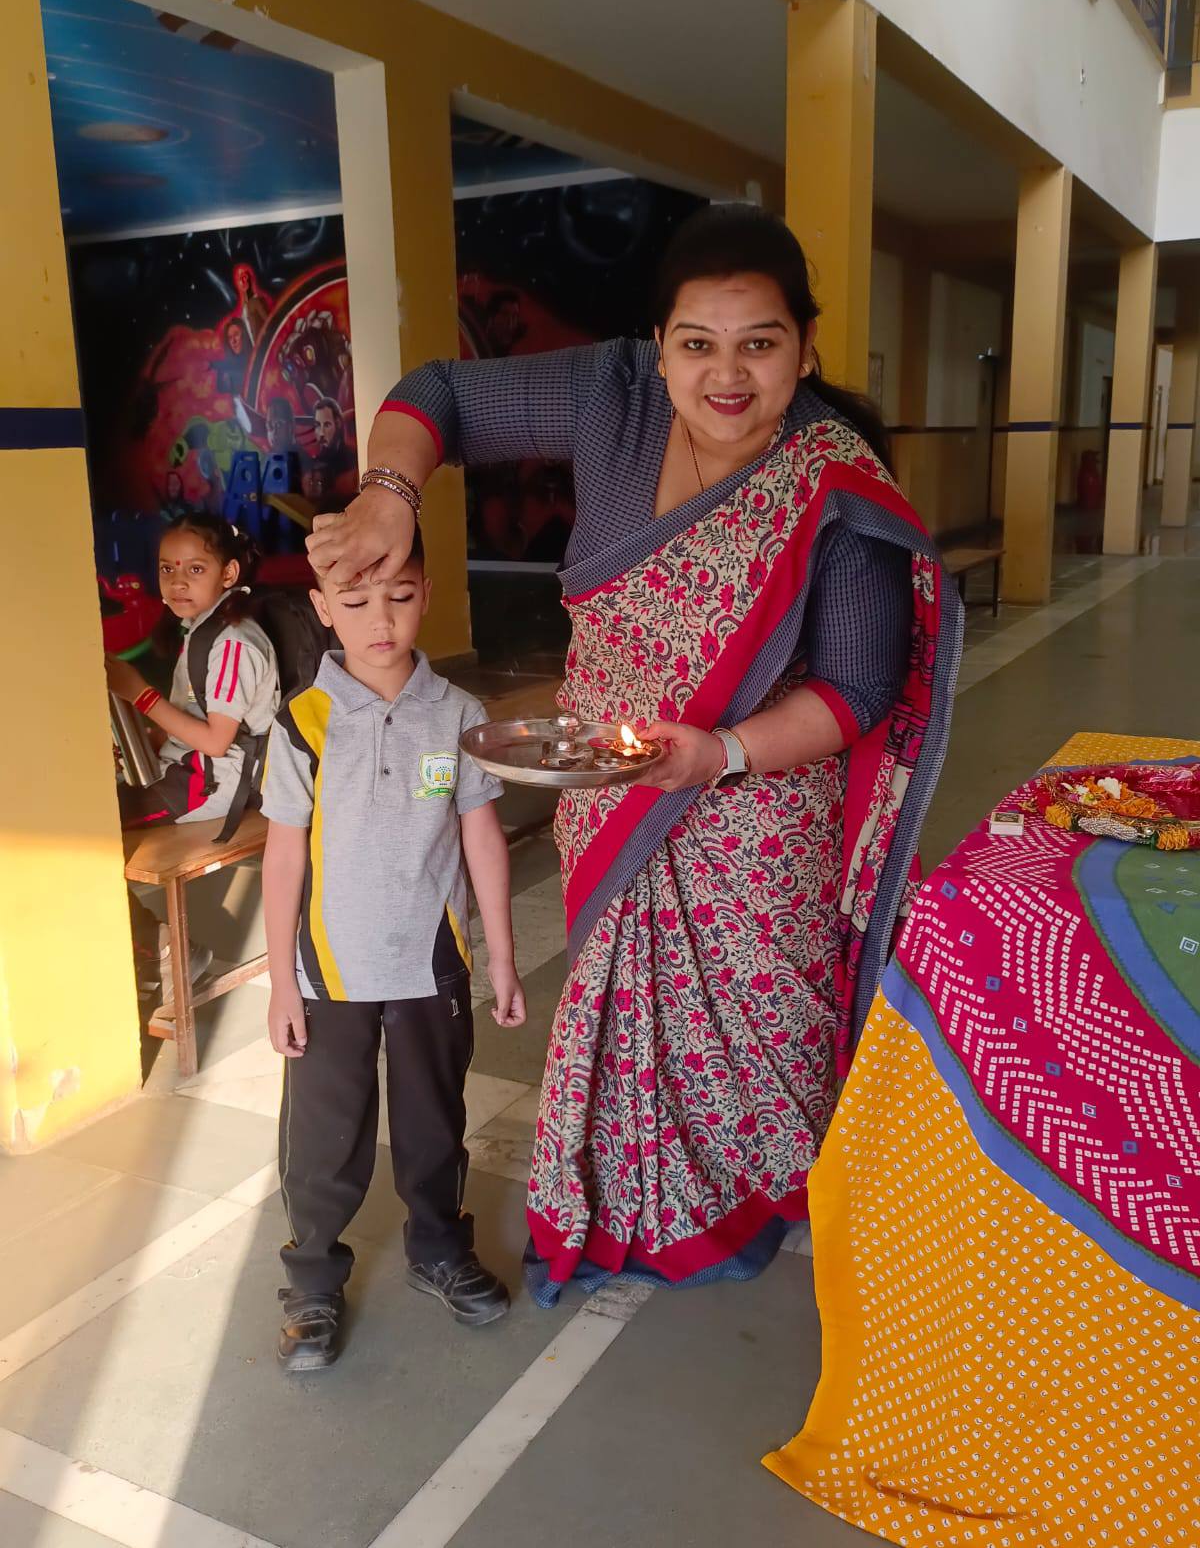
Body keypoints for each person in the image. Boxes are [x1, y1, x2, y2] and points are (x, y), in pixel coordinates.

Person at [308, 204, 962, 1304]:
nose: (727, 374)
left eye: (759, 343)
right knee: (625, 1018)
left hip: (754, 812)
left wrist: (720, 754)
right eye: (697, 343)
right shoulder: (610, 395)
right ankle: (631, 1199)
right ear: (657, 346)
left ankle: (742, 1197)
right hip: (610, 787)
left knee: (755, 1033)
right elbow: (438, 393)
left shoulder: (832, 483)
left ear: (805, 347)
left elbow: (855, 689)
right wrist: (390, 493)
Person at [260, 525, 527, 1369]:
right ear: (321, 607)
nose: (381, 620)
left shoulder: (458, 715)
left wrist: (503, 956)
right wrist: (280, 981)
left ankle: (440, 1249)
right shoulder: (302, 721)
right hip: (328, 972)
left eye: (401, 596)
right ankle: (311, 1280)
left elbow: (481, 835)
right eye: (356, 601)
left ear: (427, 595)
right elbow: (283, 854)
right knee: (324, 1135)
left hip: (430, 963)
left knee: (433, 1120)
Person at [105, 513, 280, 990]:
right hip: (189, 772)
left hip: (208, 785)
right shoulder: (203, 630)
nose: (178, 581)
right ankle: (147, 947)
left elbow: (216, 741)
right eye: (168, 568)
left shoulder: (233, 643)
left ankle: (162, 950)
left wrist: (141, 694)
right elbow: (191, 722)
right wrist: (145, 740)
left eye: (195, 569)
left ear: (229, 573)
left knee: (87, 831)